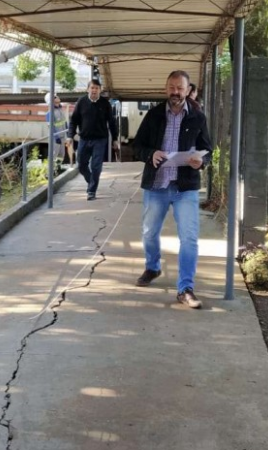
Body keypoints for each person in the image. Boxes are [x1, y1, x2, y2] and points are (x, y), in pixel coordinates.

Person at [133, 70, 212, 309]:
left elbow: (207, 149)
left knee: (189, 238)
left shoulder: (198, 117)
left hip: (184, 187)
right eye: (172, 87)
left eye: (180, 88)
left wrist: (202, 161)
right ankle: (153, 267)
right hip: (157, 185)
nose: (175, 92)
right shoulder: (154, 115)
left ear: (188, 90)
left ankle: (185, 288)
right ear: (166, 88)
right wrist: (150, 154)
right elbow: (137, 146)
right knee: (149, 233)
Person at [67, 79, 119, 200]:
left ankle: (91, 191)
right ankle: (92, 181)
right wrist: (70, 136)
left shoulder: (105, 104)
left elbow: (111, 122)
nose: (94, 90)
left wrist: (115, 139)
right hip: (84, 139)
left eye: (97, 88)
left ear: (100, 90)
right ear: (88, 89)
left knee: (96, 166)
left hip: (100, 139)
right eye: (92, 88)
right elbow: (74, 120)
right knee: (81, 165)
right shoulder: (81, 102)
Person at [45, 92, 73, 165]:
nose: (57, 97)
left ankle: (57, 169)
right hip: (55, 139)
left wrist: (68, 133)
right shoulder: (49, 113)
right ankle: (50, 172)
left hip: (62, 137)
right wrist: (56, 137)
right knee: (53, 156)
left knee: (61, 156)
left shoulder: (60, 109)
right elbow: (51, 127)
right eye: (55, 97)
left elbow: (64, 122)